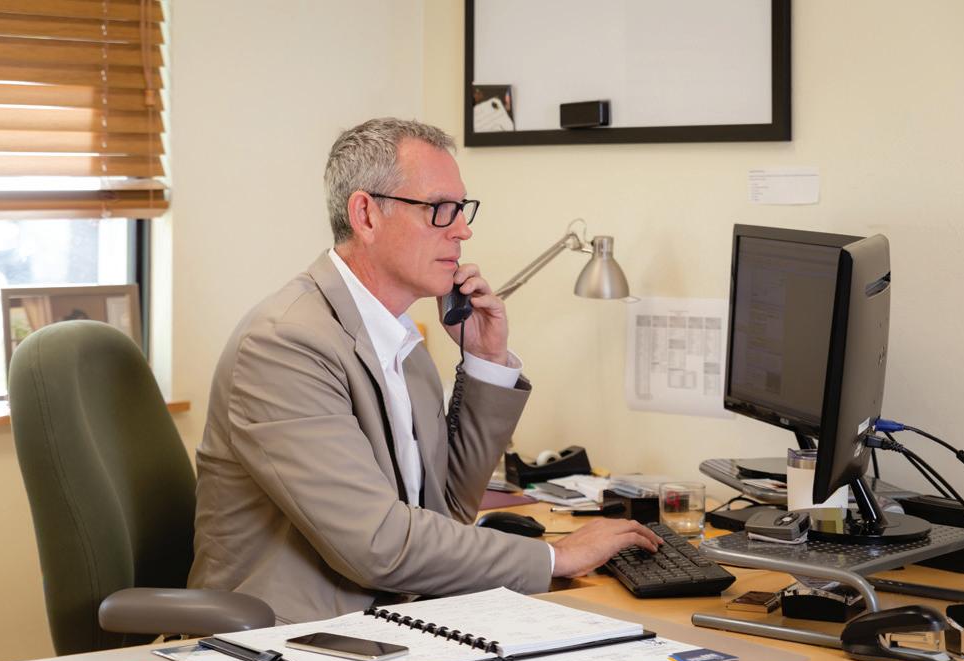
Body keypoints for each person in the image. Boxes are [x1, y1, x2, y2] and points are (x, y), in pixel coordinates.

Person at [189, 118, 661, 623]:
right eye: (439, 209)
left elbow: (447, 510)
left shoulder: (400, 340)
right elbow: (377, 544)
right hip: (293, 636)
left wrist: (485, 361)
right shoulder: (285, 345)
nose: (463, 229)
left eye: (462, 208)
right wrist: (555, 557)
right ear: (366, 215)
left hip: (397, 618)